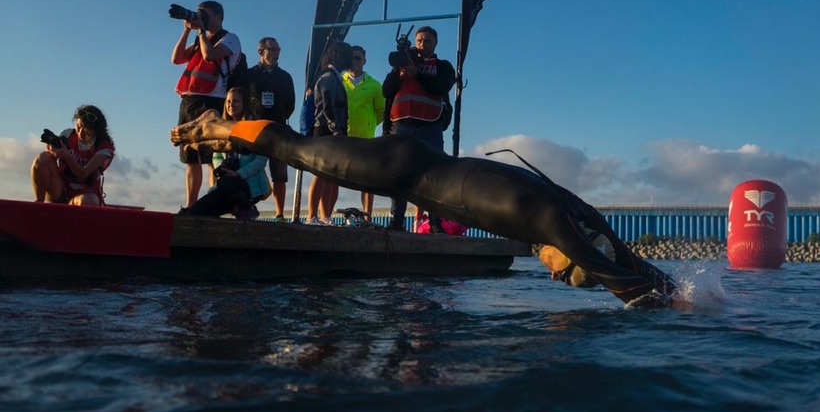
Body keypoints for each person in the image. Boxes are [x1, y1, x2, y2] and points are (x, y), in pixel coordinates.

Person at [170, 114, 677, 307]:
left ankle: (221, 127)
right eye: (564, 273)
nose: (553, 276)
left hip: (416, 166)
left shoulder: (578, 212)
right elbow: (620, 278)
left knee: (299, 148)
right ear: (569, 251)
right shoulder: (544, 219)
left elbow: (627, 261)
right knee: (296, 149)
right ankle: (217, 126)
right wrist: (661, 304)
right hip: (399, 169)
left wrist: (673, 288)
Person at [381, 26, 455, 232]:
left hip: (429, 127)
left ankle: (435, 222)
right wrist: (399, 71)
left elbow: (440, 87)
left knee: (434, 175)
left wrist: (417, 73)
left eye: (427, 41)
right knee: (398, 175)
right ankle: (396, 221)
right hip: (401, 126)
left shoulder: (442, 66)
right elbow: (386, 90)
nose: (422, 45)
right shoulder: (403, 65)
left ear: (435, 43)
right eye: (419, 41)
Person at [171, 0, 241, 209]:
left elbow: (209, 55)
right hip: (189, 100)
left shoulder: (230, 39)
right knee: (190, 156)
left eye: (206, 15)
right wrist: (186, 31)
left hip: (212, 100)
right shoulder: (202, 39)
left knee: (211, 155)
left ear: (218, 16)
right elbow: (176, 58)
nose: (202, 18)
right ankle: (191, 205)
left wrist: (201, 31)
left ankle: (212, 201)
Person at [180, 88, 270, 219]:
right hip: (226, 185)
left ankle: (247, 206)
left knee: (227, 185)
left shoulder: (254, 127)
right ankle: (192, 213)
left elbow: (261, 160)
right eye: (228, 101)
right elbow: (216, 155)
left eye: (235, 101)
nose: (231, 105)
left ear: (244, 104)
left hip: (247, 184)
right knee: (203, 208)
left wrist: (239, 173)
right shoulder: (221, 129)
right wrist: (222, 166)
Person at [247, 36, 295, 221]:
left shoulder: (285, 77)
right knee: (250, 169)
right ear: (261, 52)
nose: (276, 53)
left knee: (280, 174)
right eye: (272, 49)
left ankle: (279, 213)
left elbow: (290, 104)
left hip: (278, 129)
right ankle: (248, 210)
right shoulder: (250, 74)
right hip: (255, 128)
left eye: (278, 49)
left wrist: (280, 116)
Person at [31, 104, 115, 206]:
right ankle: (38, 205)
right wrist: (53, 148)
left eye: (86, 129)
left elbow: (84, 173)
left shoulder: (104, 146)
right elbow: (48, 159)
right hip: (61, 188)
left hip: (85, 193)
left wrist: (67, 157)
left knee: (89, 200)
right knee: (43, 158)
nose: (80, 133)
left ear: (96, 130)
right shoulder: (68, 135)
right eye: (78, 127)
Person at [306, 41, 352, 225]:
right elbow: (327, 104)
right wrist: (335, 130)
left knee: (331, 175)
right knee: (321, 173)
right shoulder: (328, 76)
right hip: (326, 131)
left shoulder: (334, 76)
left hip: (333, 131)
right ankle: (312, 216)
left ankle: (325, 216)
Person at [342, 45, 385, 219]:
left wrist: (370, 124)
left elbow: (381, 111)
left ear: (364, 61)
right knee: (332, 177)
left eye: (358, 58)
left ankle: (367, 217)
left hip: (366, 138)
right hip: (342, 137)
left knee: (367, 180)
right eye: (351, 58)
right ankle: (325, 216)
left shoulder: (375, 85)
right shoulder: (338, 81)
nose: (354, 61)